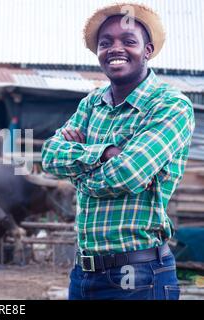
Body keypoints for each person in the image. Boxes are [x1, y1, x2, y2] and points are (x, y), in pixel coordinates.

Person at [41, 3, 195, 300]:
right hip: (83, 274)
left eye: (128, 41)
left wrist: (79, 174)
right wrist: (105, 153)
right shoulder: (91, 104)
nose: (115, 48)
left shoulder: (170, 106)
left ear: (147, 50)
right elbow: (49, 155)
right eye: (105, 42)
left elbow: (127, 173)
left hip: (139, 277)